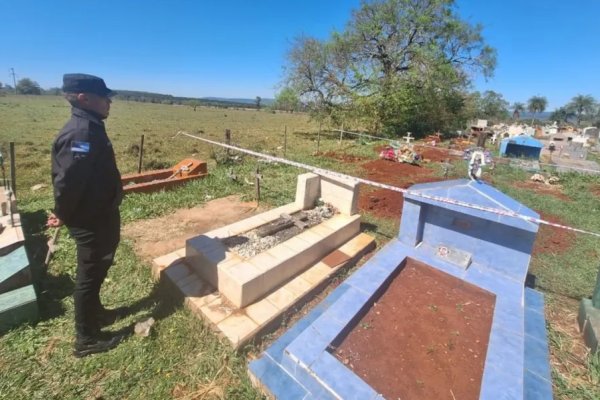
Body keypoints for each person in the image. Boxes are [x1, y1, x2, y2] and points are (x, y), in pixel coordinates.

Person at [47, 73, 125, 357]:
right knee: (89, 275)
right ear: (84, 98)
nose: (109, 102)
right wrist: (62, 214)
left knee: (98, 269)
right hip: (90, 218)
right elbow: (68, 182)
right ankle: (86, 338)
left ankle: (96, 313)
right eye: (105, 97)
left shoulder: (91, 126)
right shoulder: (81, 133)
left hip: (99, 213)